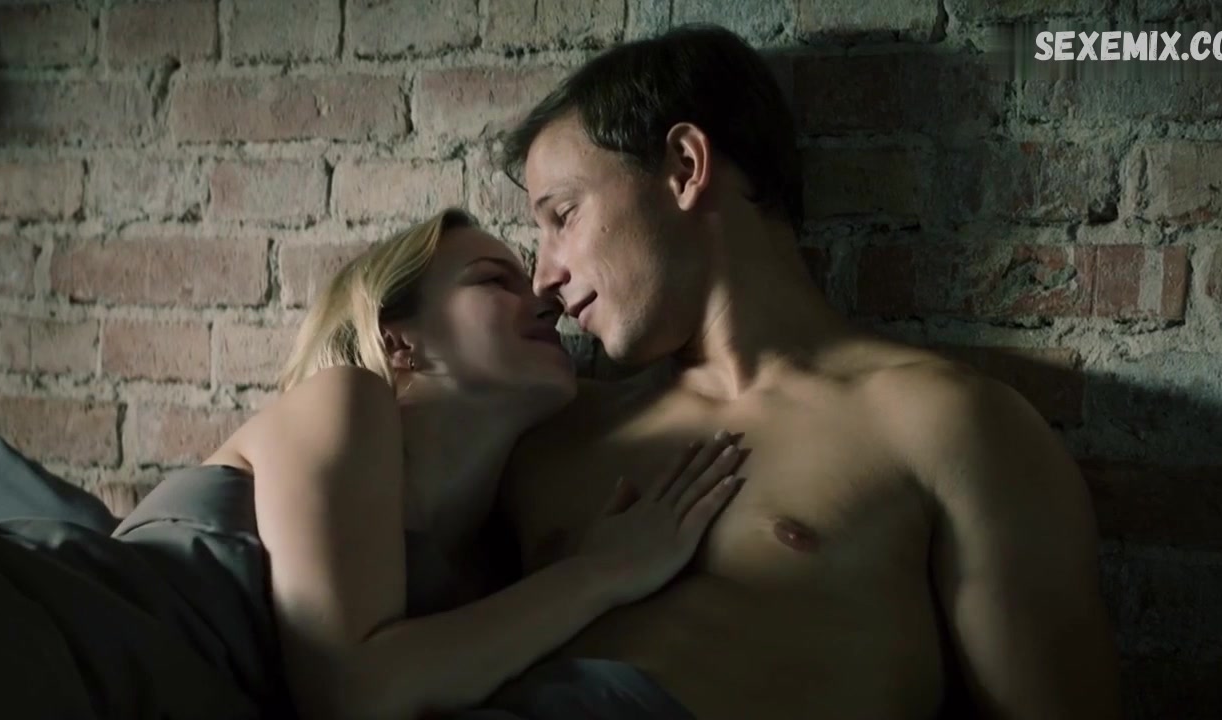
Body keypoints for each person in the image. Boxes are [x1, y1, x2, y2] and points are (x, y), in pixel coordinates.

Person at [493, 24, 1123, 720]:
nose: (544, 277)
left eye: (564, 215)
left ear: (684, 165)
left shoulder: (942, 425)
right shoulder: (550, 437)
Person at [197, 208, 744, 720]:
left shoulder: (480, 574)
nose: (547, 301)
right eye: (494, 280)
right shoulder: (344, 396)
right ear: (397, 341)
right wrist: (602, 571)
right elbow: (351, 692)